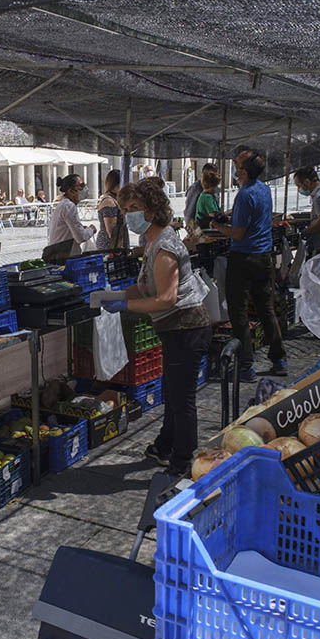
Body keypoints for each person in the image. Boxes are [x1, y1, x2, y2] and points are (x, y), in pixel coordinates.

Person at [96, 179, 211, 475]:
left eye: (135, 207)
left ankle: (182, 462)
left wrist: (126, 306)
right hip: (175, 329)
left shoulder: (165, 247)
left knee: (181, 399)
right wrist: (116, 296)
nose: (129, 214)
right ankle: (165, 446)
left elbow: (165, 299)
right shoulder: (152, 242)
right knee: (172, 393)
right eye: (125, 209)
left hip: (186, 327)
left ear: (152, 209)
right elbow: (146, 286)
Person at [212, 149, 287, 380]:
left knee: (239, 312)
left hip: (243, 258)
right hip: (263, 256)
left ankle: (246, 365)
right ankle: (279, 359)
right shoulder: (264, 189)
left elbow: (238, 233)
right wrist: (229, 215)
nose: (234, 166)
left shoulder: (244, 195)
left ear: (243, 171)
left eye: (236, 163)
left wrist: (217, 226)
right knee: (266, 309)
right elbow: (253, 217)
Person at [47, 173, 96, 253]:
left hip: (60, 252)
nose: (85, 188)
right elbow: (80, 237)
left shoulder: (64, 204)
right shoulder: (69, 206)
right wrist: (91, 229)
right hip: (64, 254)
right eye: (81, 186)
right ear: (71, 191)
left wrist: (80, 228)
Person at [95, 169, 128, 250]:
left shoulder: (114, 199)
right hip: (110, 246)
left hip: (115, 244)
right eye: (122, 184)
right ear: (114, 186)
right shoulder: (109, 202)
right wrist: (118, 250)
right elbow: (112, 232)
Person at [184, 163, 219, 228]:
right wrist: (190, 227)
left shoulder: (214, 189)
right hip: (200, 226)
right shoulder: (196, 188)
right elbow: (189, 211)